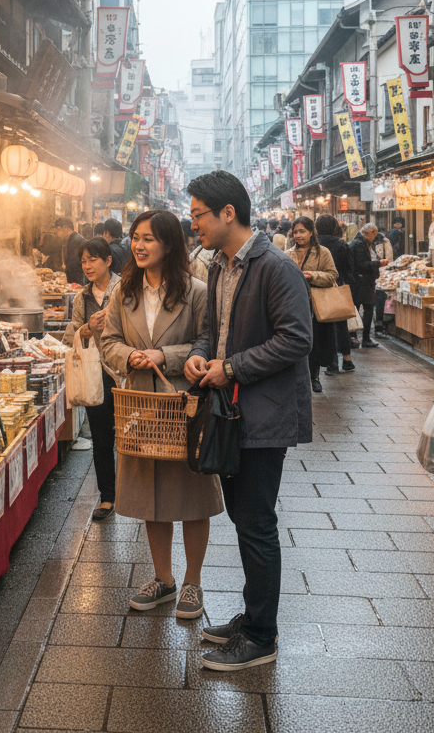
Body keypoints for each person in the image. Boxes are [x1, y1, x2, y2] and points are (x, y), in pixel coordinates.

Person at [183, 170, 313, 671]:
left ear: (227, 213)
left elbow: (296, 339)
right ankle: (253, 617)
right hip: (234, 413)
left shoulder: (275, 266)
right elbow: (212, 330)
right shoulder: (219, 265)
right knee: (242, 518)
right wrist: (200, 356)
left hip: (265, 416)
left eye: (198, 215)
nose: (194, 224)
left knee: (256, 523)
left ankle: (262, 637)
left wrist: (231, 367)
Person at [101, 210, 223, 621]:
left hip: (183, 408)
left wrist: (164, 356)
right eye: (136, 237)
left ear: (169, 245)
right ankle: (163, 577)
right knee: (152, 496)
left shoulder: (198, 291)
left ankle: (193, 581)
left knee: (191, 496)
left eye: (149, 238)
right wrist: (128, 356)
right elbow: (108, 342)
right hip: (139, 408)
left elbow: (206, 344)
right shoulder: (123, 292)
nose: (138, 245)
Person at [63, 239, 121, 521]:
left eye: (93, 259)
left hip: (123, 374)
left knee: (130, 435)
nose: (87, 266)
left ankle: (137, 493)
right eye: (83, 260)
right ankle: (107, 497)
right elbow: (70, 337)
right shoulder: (81, 297)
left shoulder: (124, 289)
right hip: (94, 375)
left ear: (108, 261)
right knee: (101, 437)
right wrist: (87, 328)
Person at [285, 216, 338, 393]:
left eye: (302, 231)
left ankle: (314, 376)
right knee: (294, 341)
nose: (298, 235)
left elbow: (332, 275)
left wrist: (313, 276)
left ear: (311, 232)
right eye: (296, 231)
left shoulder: (323, 252)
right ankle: (297, 376)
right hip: (293, 305)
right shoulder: (287, 254)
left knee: (314, 342)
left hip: (315, 305)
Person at [315, 213, 355, 374]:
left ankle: (331, 362)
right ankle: (347, 360)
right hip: (337, 289)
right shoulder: (342, 244)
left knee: (323, 327)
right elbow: (349, 269)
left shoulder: (314, 245)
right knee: (341, 324)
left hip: (317, 290)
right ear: (334, 227)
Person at [350, 223, 383, 348]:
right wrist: (378, 264)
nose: (373, 237)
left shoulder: (358, 241)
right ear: (369, 234)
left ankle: (354, 337)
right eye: (373, 235)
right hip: (362, 283)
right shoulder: (359, 244)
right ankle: (364, 338)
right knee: (367, 309)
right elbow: (362, 265)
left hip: (359, 282)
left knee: (356, 309)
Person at [55, 218, 86, 285]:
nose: (57, 232)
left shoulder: (76, 241)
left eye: (58, 229)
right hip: (76, 280)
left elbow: (74, 264)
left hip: (78, 281)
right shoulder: (71, 239)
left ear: (65, 227)